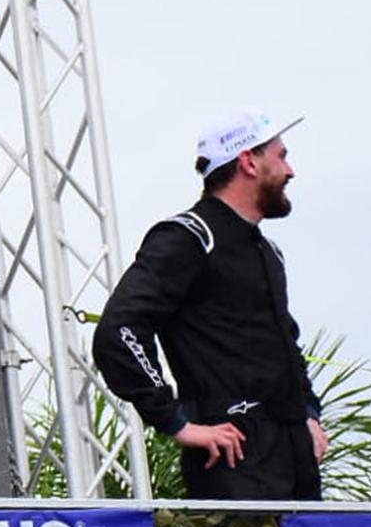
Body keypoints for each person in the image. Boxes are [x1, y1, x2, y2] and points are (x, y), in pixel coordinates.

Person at [95, 109, 326, 500]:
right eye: (282, 156)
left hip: (293, 457)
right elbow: (119, 330)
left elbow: (285, 343)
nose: (291, 171)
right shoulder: (189, 237)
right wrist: (176, 421)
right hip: (234, 455)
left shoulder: (268, 251)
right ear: (248, 161)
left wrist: (308, 413)